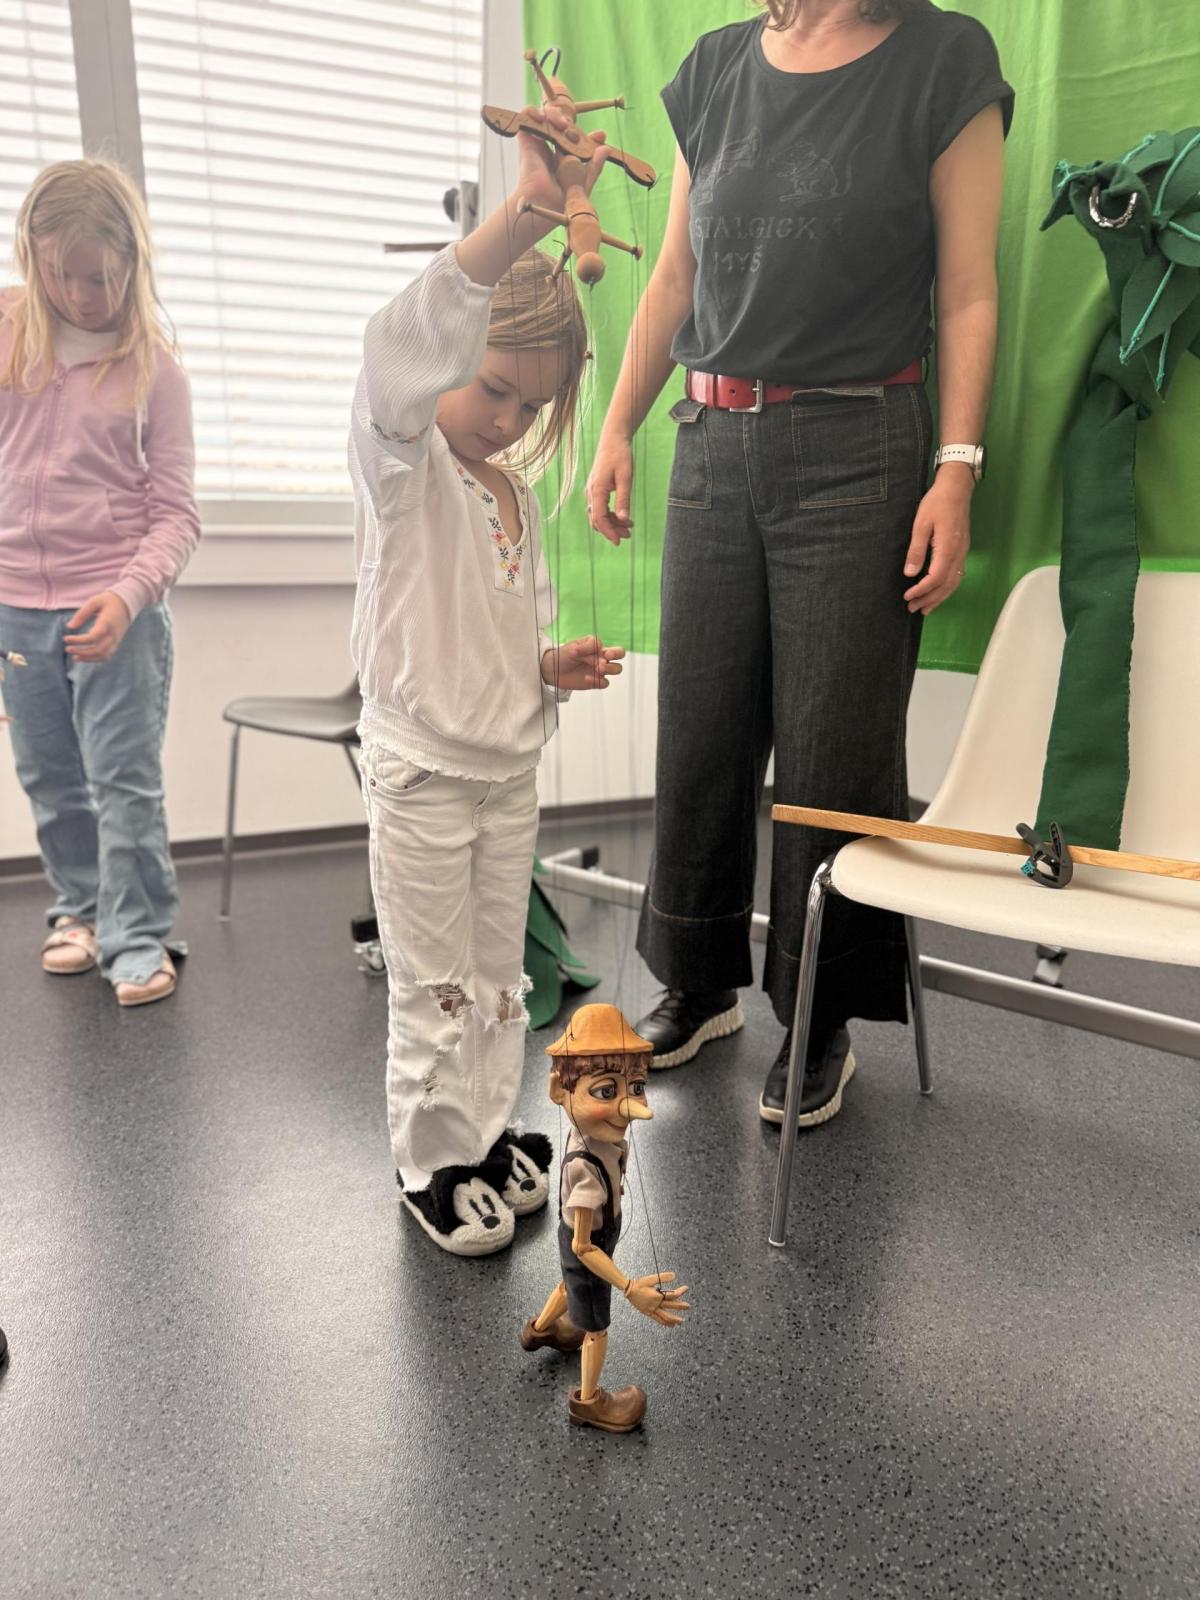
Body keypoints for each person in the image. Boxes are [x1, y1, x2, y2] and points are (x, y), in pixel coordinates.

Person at [587, 0, 1012, 1128]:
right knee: (701, 729)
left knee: (834, 753)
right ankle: (697, 983)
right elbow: (673, 277)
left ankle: (821, 1017)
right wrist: (618, 425)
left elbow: (969, 287)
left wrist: (958, 469)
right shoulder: (716, 67)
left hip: (860, 446)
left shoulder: (944, 58)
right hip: (710, 438)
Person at [351, 108, 626, 1257]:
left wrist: (549, 666)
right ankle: (431, 1161)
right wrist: (525, 215)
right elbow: (396, 346)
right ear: (453, 360)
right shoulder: (405, 463)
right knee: (432, 984)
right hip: (423, 772)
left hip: (506, 771)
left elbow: (496, 636)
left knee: (499, 974)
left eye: (529, 405)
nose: (507, 419)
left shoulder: (512, 493)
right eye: (494, 389)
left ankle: (482, 1128)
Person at [0, 160, 199, 1006]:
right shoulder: (9, 337)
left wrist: (127, 595)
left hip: (115, 609)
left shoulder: (156, 372)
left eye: (100, 277)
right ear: (32, 258)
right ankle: (78, 911)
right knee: (48, 776)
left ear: (132, 263)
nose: (80, 296)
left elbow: (177, 515)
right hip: (16, 607)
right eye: (60, 274)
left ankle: (138, 933)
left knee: (123, 781)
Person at [520, 1003, 691, 1435]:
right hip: (589, 1244)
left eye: (636, 1087)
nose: (630, 1107)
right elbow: (582, 1247)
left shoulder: (598, 1141)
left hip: (589, 1237)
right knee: (595, 1328)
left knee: (567, 1285)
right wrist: (630, 1288)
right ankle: (589, 1402)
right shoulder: (584, 1169)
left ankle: (541, 1330)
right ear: (559, 1090)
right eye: (604, 1091)